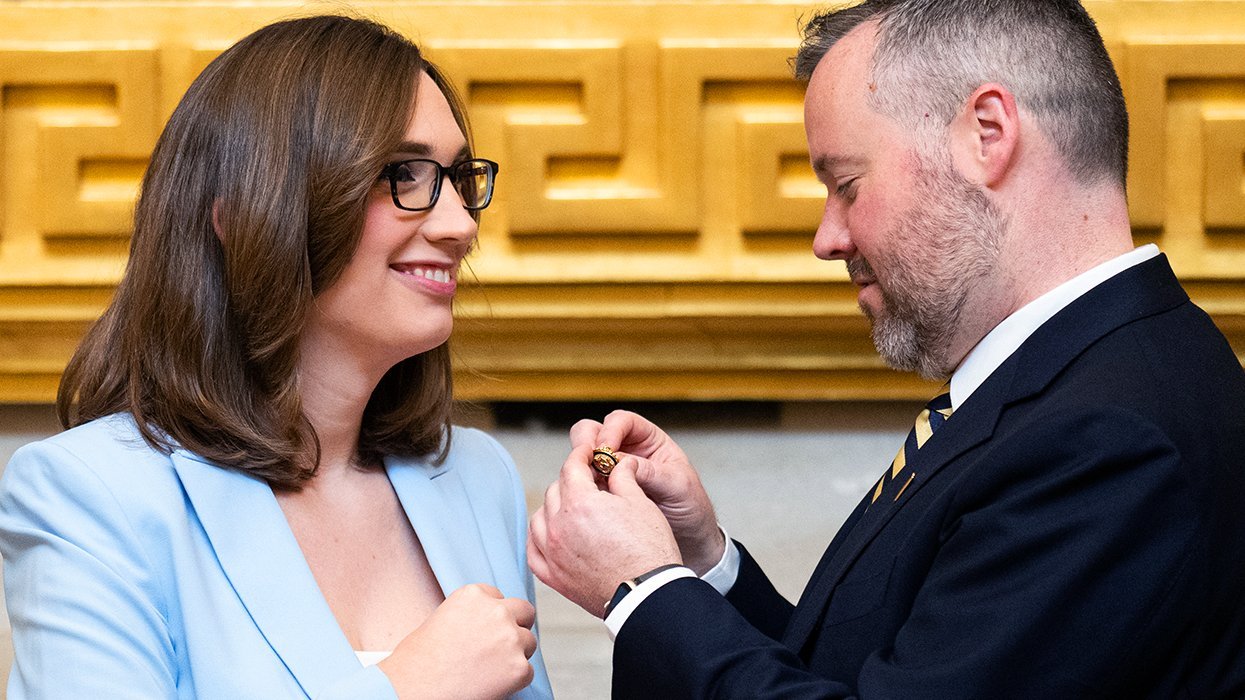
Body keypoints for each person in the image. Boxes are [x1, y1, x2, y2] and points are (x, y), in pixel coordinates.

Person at [528, 0, 1245, 697]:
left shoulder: (1105, 440)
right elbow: (885, 670)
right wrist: (701, 564)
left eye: (845, 184)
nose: (826, 238)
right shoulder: (1084, 374)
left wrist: (644, 592)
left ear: (987, 134)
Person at [0, 14, 551, 700]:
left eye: (458, 177)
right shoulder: (89, 494)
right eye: (405, 175)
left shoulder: (475, 475)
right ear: (248, 215)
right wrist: (409, 689)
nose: (460, 225)